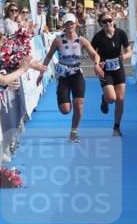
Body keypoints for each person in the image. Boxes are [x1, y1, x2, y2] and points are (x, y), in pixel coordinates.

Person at [37, 13, 104, 143]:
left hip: (77, 74)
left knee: (79, 105)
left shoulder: (82, 40)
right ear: (64, 25)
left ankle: (73, 133)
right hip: (63, 76)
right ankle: (63, 96)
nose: (70, 26)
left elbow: (95, 54)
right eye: (67, 23)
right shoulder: (58, 40)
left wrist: (96, 64)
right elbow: (48, 56)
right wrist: (41, 72)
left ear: (76, 24)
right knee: (65, 110)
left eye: (72, 23)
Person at [90, 13, 132, 136]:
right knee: (111, 98)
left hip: (118, 68)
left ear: (113, 21)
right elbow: (93, 54)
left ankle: (116, 127)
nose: (108, 23)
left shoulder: (121, 33)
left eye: (110, 20)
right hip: (105, 70)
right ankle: (104, 99)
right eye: (105, 21)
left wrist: (123, 56)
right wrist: (97, 63)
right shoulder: (98, 38)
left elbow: (129, 51)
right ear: (101, 24)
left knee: (120, 99)